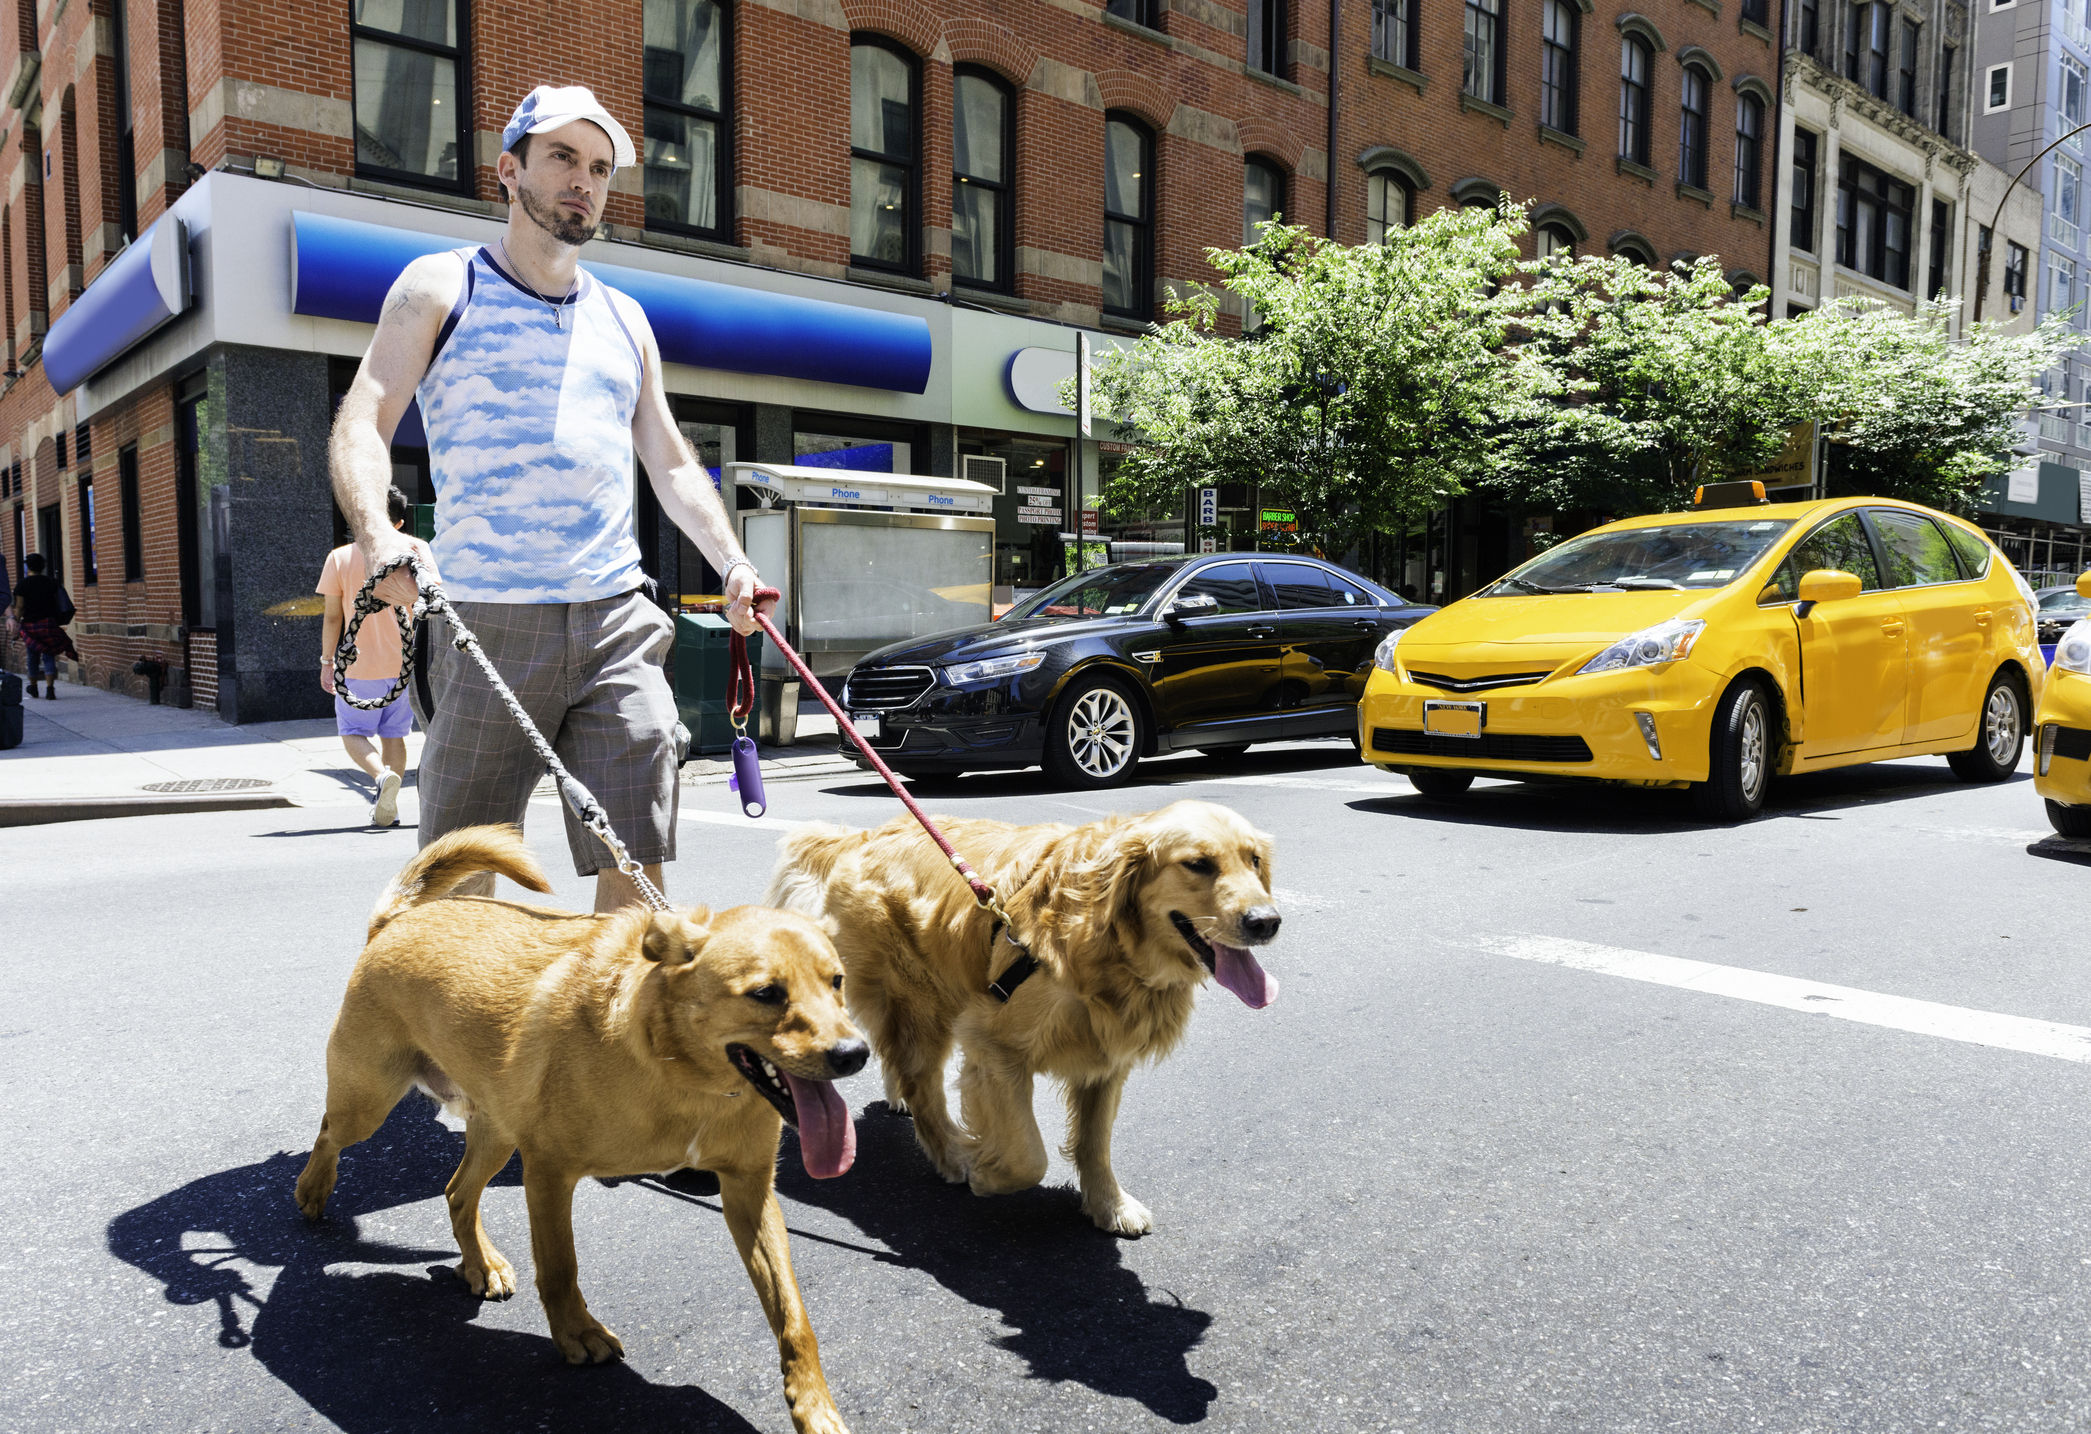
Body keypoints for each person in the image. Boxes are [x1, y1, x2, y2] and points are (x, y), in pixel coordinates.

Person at [328, 84, 773, 913]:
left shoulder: (627, 319)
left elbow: (673, 463)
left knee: (636, 871)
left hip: (615, 619)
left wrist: (734, 563)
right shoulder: (439, 286)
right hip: (487, 622)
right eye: (563, 157)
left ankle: (611, 1043)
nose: (584, 182)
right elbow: (365, 414)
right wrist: (375, 537)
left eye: (600, 168)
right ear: (509, 169)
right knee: (458, 882)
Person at [317, 485, 437, 827]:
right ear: (399, 523)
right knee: (394, 735)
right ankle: (391, 807)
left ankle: (381, 778)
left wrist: (328, 662)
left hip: (357, 666)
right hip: (405, 666)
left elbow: (332, 617)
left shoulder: (340, 557)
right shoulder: (417, 549)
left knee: (353, 732)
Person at [10, 554, 77, 699]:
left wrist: (15, 621)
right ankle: (50, 689)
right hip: (49, 623)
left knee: (32, 657)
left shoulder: (22, 584)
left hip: (30, 625)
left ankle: (33, 688)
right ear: (43, 566)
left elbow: (20, 607)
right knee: (49, 655)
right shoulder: (51, 582)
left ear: (28, 567)